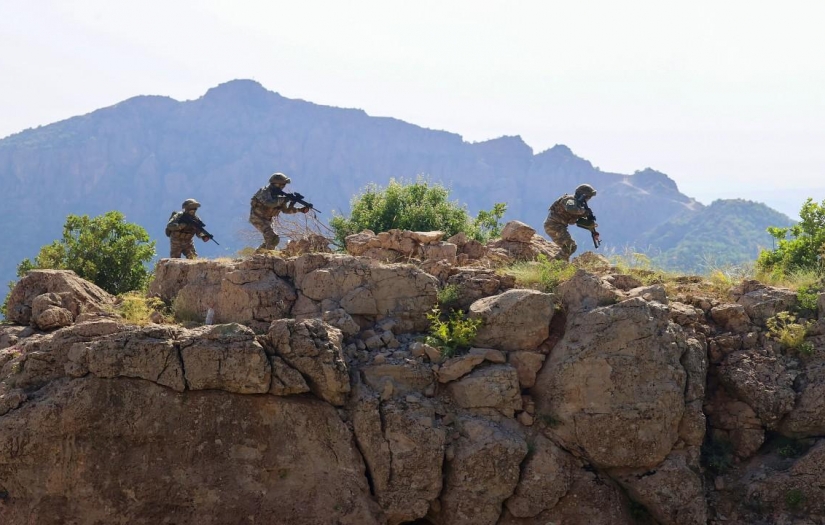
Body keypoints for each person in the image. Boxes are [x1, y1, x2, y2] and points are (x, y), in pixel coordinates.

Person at [249, 172, 310, 251]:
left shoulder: (279, 196)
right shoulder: (264, 192)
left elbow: (286, 210)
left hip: (267, 220)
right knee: (273, 238)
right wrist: (284, 199)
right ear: (276, 184)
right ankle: (266, 255)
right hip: (257, 218)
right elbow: (269, 203)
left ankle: (260, 254)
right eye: (282, 184)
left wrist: (300, 209)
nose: (283, 187)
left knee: (272, 239)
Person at [543, 184, 599, 260]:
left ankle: (560, 263)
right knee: (570, 246)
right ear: (583, 195)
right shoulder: (570, 200)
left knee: (568, 247)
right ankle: (554, 264)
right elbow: (571, 208)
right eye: (588, 197)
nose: (588, 199)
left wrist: (592, 229)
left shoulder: (578, 205)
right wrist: (583, 211)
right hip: (553, 225)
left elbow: (576, 221)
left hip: (557, 226)